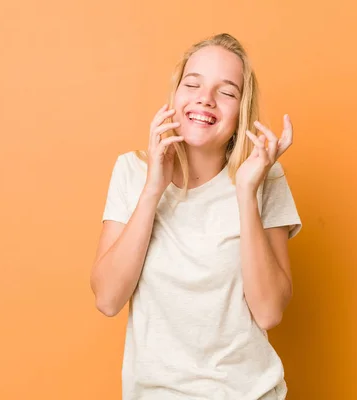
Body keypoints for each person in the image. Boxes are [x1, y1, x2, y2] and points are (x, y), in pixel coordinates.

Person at [90, 33, 302, 400]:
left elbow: (268, 312)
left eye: (227, 91)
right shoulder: (131, 171)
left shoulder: (264, 178)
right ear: (175, 96)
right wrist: (153, 188)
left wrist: (246, 194)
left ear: (241, 112)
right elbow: (108, 299)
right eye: (193, 84)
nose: (205, 97)